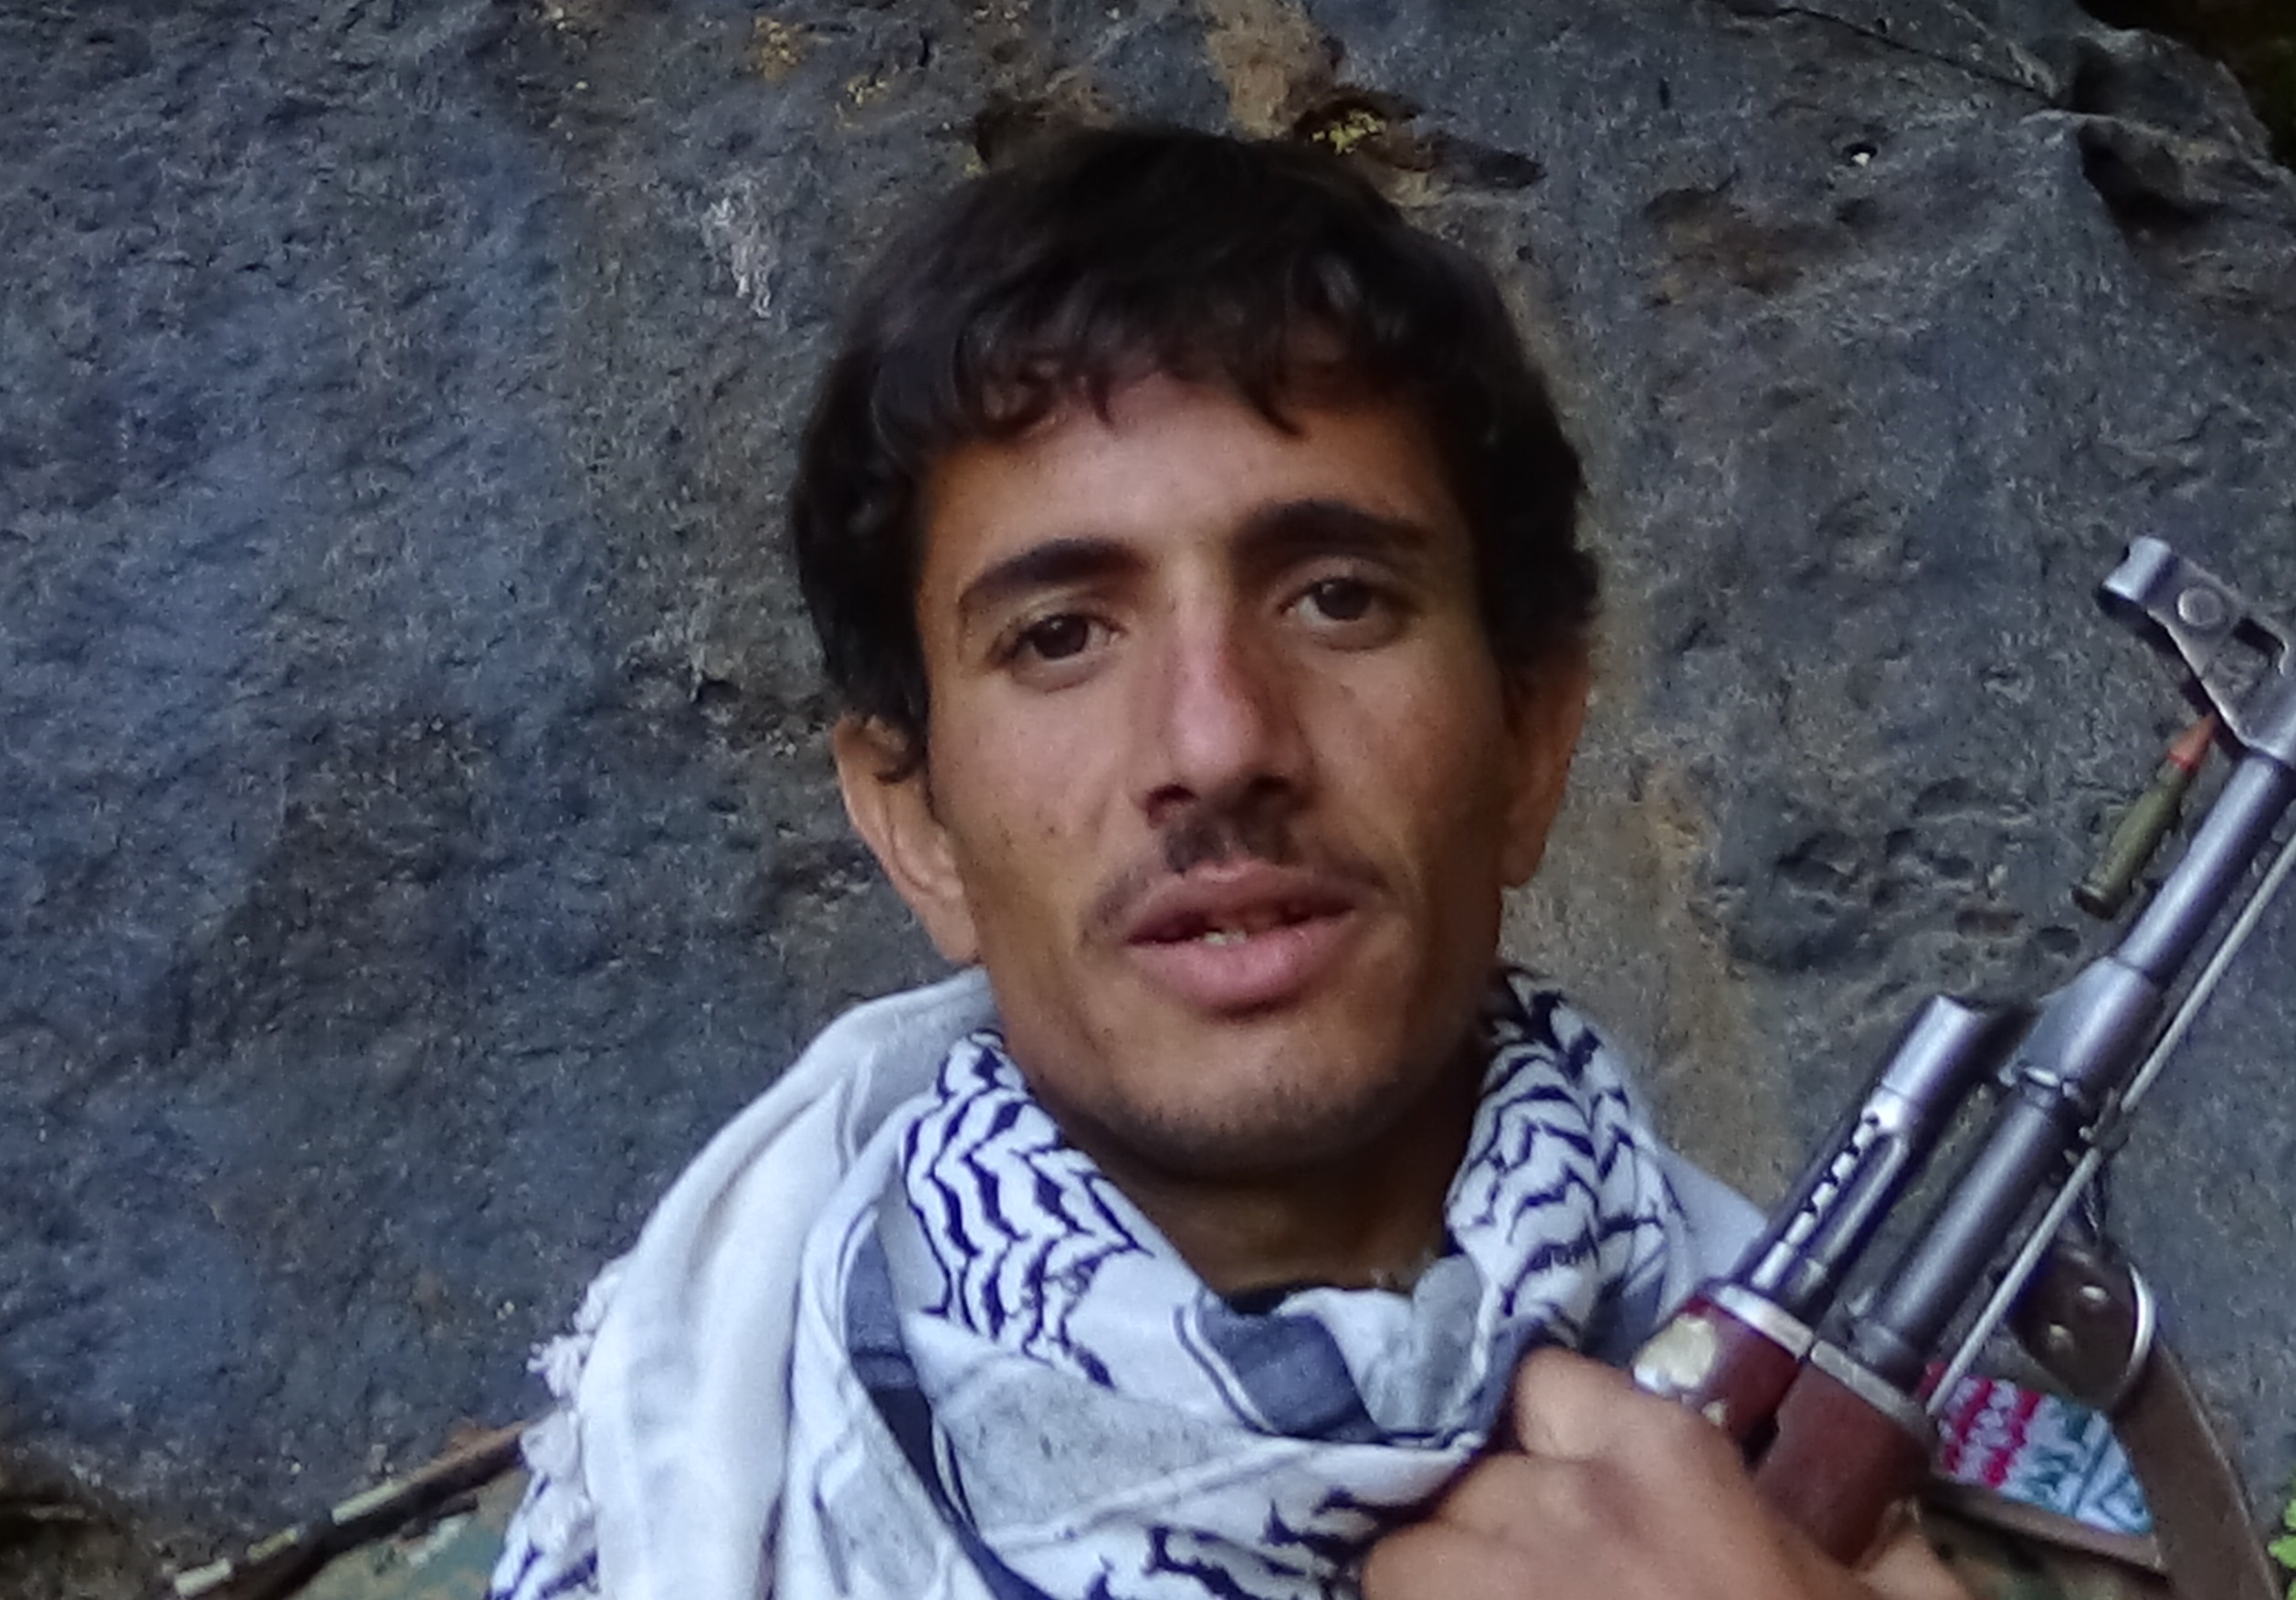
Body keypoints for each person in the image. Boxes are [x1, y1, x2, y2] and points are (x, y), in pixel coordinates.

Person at [488, 126, 1965, 1600]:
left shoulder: (1942, 1534)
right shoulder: (620, 1531)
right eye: (1061, 635)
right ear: (916, 823)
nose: (1216, 741)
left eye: (1336, 599)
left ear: (1530, 734)